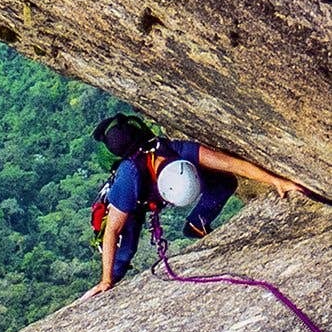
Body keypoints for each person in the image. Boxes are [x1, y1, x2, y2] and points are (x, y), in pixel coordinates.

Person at [80, 113, 305, 299]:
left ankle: (197, 223)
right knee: (125, 251)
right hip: (134, 201)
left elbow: (230, 163)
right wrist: (106, 279)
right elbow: (112, 231)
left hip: (153, 175)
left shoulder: (179, 151)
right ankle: (109, 284)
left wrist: (277, 181)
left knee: (225, 180)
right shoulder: (129, 180)